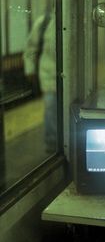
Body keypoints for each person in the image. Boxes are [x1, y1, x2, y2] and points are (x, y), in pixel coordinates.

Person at [23, 12, 57, 153]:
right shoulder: (44, 22)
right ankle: (52, 143)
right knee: (51, 108)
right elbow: (30, 49)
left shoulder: (79, 20)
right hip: (49, 76)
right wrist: (30, 70)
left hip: (72, 77)